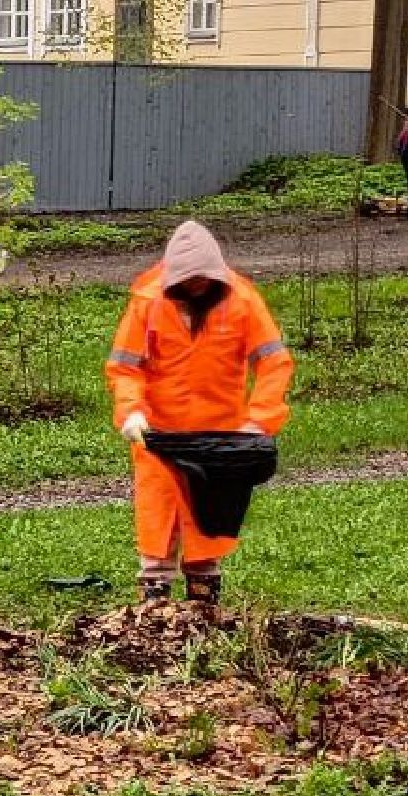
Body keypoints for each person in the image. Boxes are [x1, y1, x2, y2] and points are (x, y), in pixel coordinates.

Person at [109, 221, 294, 605]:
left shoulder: (243, 301)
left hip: (221, 435)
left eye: (202, 279)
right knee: (158, 514)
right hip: (157, 432)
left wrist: (259, 421)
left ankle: (203, 603)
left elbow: (275, 362)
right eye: (187, 279)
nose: (195, 286)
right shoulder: (148, 301)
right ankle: (154, 604)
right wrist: (131, 412)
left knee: (210, 516)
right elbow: (126, 366)